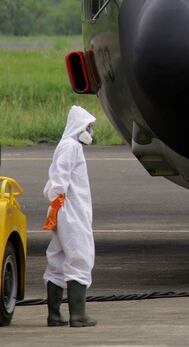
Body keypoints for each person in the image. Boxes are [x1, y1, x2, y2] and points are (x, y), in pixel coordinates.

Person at [42, 105, 98, 328]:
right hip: (70, 211)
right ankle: (78, 315)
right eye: (88, 127)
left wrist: (55, 208)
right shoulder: (71, 147)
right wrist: (58, 204)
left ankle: (54, 315)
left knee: (57, 259)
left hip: (61, 208)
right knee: (80, 257)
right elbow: (59, 179)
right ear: (79, 127)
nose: (91, 132)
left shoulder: (68, 146)